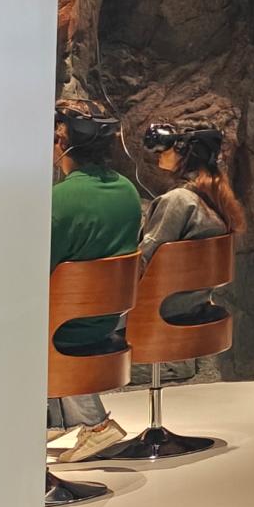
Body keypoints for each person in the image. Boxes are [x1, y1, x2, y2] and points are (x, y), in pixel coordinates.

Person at [49, 101, 144, 462]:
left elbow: (32, 273)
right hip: (108, 322)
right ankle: (64, 422)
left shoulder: (58, 201)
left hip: (65, 330)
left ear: (63, 143)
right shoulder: (127, 191)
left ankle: (78, 423)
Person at [135, 123, 244, 382]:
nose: (160, 153)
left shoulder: (178, 201)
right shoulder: (217, 200)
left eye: (169, 148)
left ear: (185, 153)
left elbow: (144, 258)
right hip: (190, 307)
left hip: (156, 313)